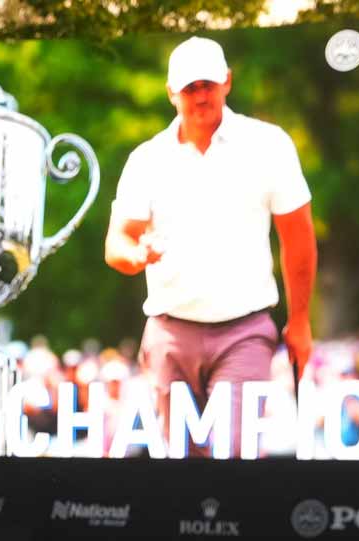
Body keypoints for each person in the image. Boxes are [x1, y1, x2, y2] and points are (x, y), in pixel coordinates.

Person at [104, 36, 317, 459]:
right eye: (190, 87)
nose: (201, 95)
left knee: (232, 454)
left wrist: (301, 320)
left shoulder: (268, 145)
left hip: (244, 329)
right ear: (171, 93)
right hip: (169, 330)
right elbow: (117, 243)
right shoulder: (146, 159)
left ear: (227, 82)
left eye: (208, 84)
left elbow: (298, 238)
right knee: (177, 464)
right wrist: (137, 256)